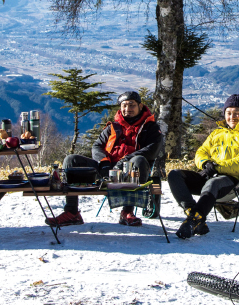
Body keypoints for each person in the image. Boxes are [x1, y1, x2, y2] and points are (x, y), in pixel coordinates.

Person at [47, 91, 161, 228]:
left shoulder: (150, 127)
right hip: (105, 172)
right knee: (71, 160)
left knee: (139, 160)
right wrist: (104, 162)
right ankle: (72, 213)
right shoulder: (113, 127)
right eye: (124, 105)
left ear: (140, 106)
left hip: (129, 172)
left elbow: (152, 149)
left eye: (132, 105)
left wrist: (123, 162)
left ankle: (127, 212)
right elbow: (97, 146)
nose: (127, 109)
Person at [167, 94, 239, 239]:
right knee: (174, 175)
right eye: (229, 113)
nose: (232, 117)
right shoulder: (217, 133)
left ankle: (193, 221)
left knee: (213, 183)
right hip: (208, 174)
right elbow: (201, 151)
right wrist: (205, 163)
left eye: (237, 113)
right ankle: (195, 215)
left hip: (229, 182)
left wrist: (217, 167)